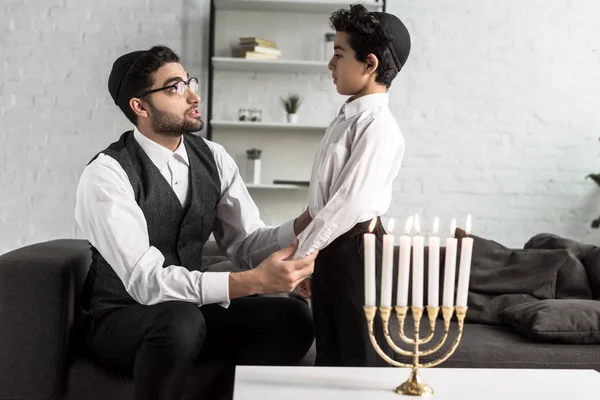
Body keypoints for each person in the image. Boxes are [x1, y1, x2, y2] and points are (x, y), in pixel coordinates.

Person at [74, 45, 317, 400]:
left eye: (189, 82)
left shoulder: (214, 157)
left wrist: (303, 225)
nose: (193, 95)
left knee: (294, 318)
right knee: (180, 321)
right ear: (140, 107)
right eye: (175, 88)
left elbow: (245, 243)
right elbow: (146, 284)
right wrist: (249, 282)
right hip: (123, 321)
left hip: (190, 316)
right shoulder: (107, 174)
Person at [293, 5, 411, 367]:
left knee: (359, 361)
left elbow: (346, 204)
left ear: (370, 64)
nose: (330, 64)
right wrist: (308, 251)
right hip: (333, 247)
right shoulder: (346, 117)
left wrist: (302, 258)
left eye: (339, 54)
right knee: (331, 355)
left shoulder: (379, 127)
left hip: (357, 251)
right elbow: (324, 200)